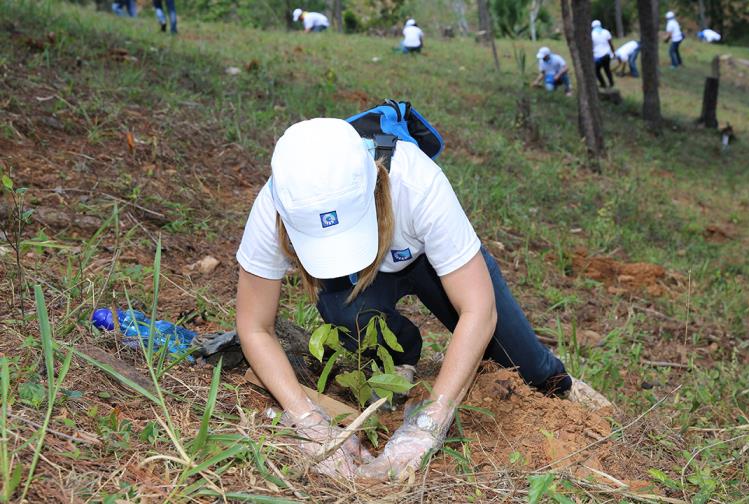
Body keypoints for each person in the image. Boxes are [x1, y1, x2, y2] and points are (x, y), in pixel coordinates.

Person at [235, 119, 608, 479]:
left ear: (376, 184)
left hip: (430, 262)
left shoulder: (415, 181)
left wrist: (428, 424)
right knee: (344, 309)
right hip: (364, 282)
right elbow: (254, 327)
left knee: (522, 360)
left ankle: (561, 382)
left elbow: (478, 309)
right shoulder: (276, 205)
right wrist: (307, 419)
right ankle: (403, 357)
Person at [591, 20, 615, 88]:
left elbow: (591, 46)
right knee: (607, 69)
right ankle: (611, 83)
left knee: (596, 70)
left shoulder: (592, 34)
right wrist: (613, 53)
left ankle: (603, 84)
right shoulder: (606, 32)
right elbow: (610, 44)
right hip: (607, 54)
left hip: (597, 56)